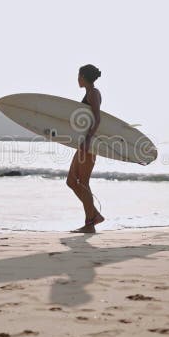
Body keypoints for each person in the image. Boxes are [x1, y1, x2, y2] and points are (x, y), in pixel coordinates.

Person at [67, 64, 104, 233]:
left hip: (88, 145)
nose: (77, 79)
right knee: (71, 181)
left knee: (83, 183)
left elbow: (97, 119)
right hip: (83, 143)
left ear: (84, 76)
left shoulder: (94, 93)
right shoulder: (88, 93)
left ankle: (90, 223)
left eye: (78, 75)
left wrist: (88, 140)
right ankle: (94, 215)